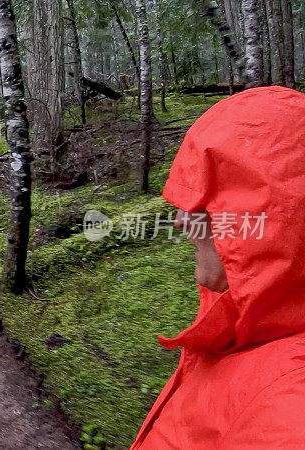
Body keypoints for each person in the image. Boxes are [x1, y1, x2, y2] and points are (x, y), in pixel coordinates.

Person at [131, 86, 305, 449]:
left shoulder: (289, 416)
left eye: (206, 200)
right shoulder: (240, 332)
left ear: (273, 224)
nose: (181, 221)